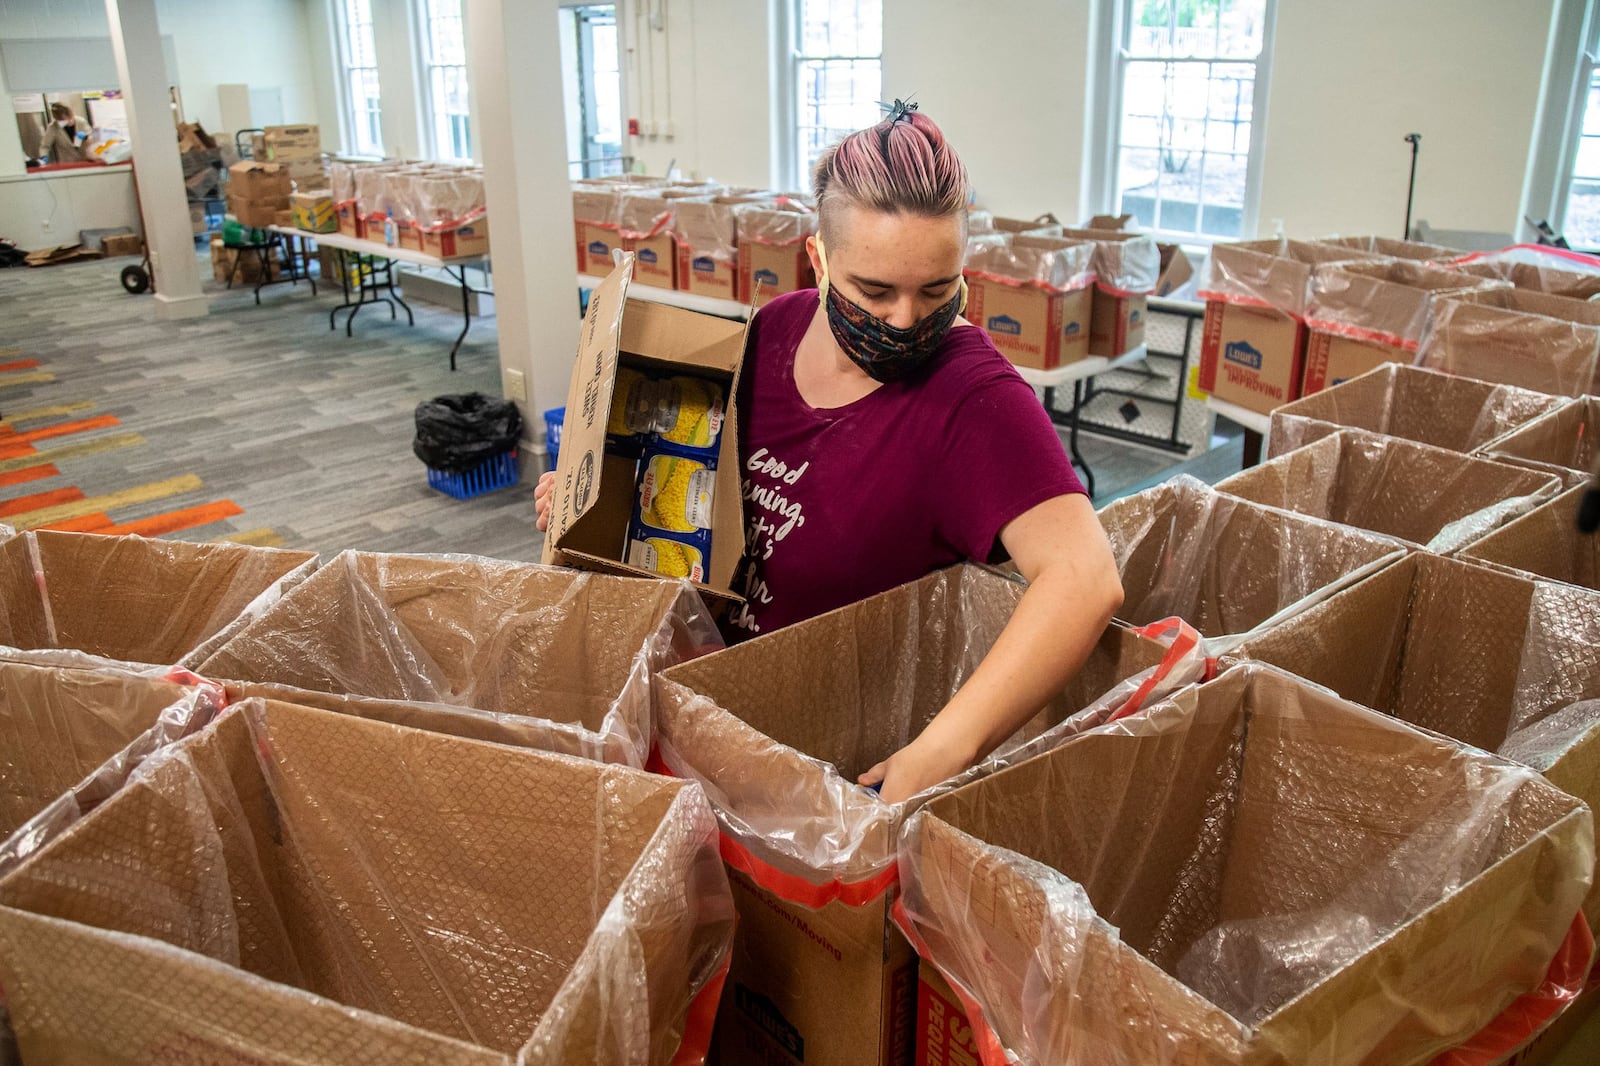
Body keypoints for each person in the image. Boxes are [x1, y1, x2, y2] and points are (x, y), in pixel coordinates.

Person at [537, 103, 1123, 802]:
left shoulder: (975, 400)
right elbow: (701, 484)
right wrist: (590, 506)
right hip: (707, 715)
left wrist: (943, 749)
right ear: (817, 259)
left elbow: (1084, 581)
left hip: (832, 771)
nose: (905, 320)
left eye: (936, 289)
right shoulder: (777, 329)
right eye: (874, 291)